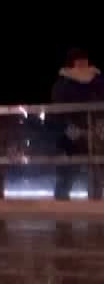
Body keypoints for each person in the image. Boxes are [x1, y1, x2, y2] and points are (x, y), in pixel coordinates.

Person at [52, 49, 102, 200]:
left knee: (94, 174)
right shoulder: (64, 83)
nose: (82, 65)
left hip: (94, 133)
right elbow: (58, 111)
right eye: (79, 61)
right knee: (68, 174)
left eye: (84, 61)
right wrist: (69, 128)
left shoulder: (97, 81)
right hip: (75, 135)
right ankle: (63, 207)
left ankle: (93, 206)